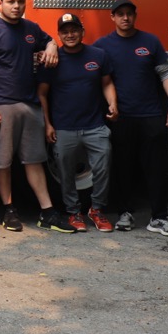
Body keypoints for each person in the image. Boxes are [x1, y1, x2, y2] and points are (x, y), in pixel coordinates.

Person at [0, 0, 74, 233]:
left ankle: (48, 211)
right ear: (0, 3)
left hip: (31, 105)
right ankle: (9, 210)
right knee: (2, 163)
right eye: (11, 1)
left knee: (34, 160)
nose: (16, 6)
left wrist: (51, 45)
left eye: (20, 1)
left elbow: (48, 40)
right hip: (1, 105)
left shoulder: (31, 29)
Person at [93, 0, 168, 237]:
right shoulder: (102, 46)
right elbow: (96, 78)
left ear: (135, 16)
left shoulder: (150, 42)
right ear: (112, 17)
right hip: (122, 117)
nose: (125, 18)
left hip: (152, 115)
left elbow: (166, 74)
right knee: (124, 167)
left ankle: (159, 218)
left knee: (155, 167)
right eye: (120, 14)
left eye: (129, 14)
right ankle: (125, 213)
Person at [38, 13, 118, 233]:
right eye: (65, 31)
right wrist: (48, 124)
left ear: (82, 32)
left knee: (102, 168)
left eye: (74, 30)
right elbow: (42, 94)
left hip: (95, 126)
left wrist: (113, 103)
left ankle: (97, 210)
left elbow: (107, 83)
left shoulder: (98, 56)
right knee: (65, 171)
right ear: (59, 35)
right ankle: (74, 213)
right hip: (64, 127)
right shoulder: (52, 60)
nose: (70, 35)